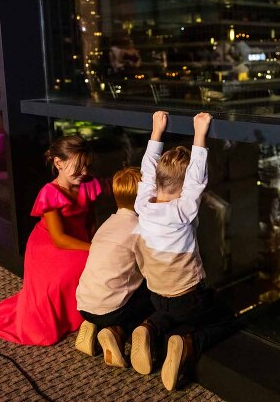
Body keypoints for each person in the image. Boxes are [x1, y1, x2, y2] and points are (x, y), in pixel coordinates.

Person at [130, 111, 237, 391]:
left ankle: (149, 328)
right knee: (225, 318)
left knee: (169, 311)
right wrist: (200, 135)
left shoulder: (143, 203)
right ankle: (187, 342)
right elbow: (196, 181)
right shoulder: (182, 211)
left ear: (157, 180)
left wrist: (156, 133)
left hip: (156, 294)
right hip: (188, 296)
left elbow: (147, 169)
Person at [0, 135, 102, 345]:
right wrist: (94, 248)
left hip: (79, 239)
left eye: (87, 166)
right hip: (49, 244)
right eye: (79, 167)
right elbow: (59, 238)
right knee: (83, 265)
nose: (85, 172)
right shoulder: (50, 192)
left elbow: (91, 220)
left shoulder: (88, 184)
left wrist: (96, 241)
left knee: (98, 263)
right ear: (58, 163)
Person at [74, 167, 154, 367]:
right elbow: (148, 271)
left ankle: (92, 325)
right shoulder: (139, 230)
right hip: (111, 310)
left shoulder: (107, 223)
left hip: (84, 304)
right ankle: (117, 332)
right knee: (152, 293)